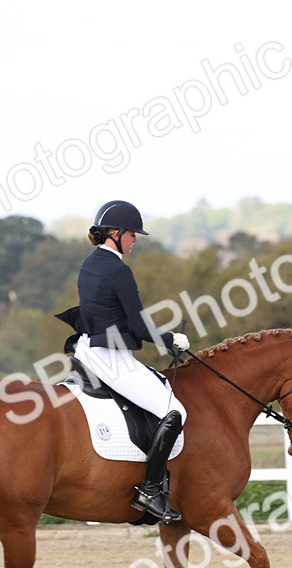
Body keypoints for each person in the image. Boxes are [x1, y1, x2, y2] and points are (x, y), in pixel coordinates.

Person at [64, 200, 190, 522]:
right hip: (112, 358)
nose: (135, 240)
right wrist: (171, 340)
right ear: (116, 234)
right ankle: (149, 491)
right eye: (133, 234)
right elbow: (137, 324)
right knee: (174, 411)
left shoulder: (90, 263)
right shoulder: (119, 271)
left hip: (88, 350)